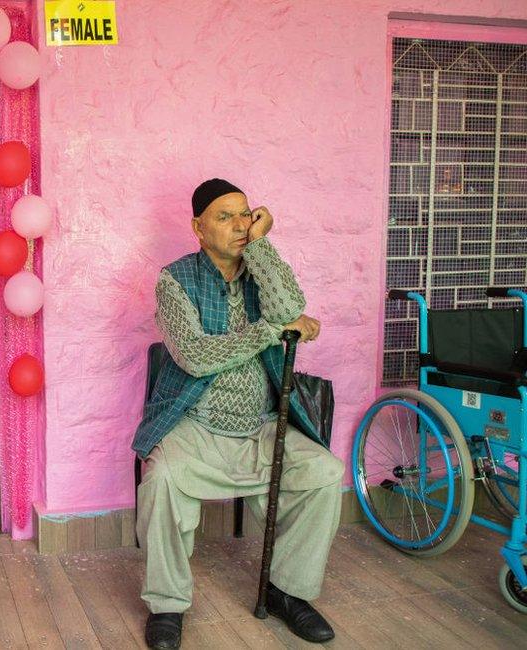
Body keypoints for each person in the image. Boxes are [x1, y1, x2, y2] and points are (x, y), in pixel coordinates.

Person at [133, 179, 343, 649]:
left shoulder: (259, 272)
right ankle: (167, 603)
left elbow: (293, 308)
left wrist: (263, 246)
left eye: (245, 214)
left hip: (262, 426)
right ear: (198, 228)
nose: (238, 225)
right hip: (195, 425)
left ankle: (287, 590)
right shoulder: (175, 280)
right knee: (163, 479)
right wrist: (272, 330)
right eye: (224, 217)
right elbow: (195, 355)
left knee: (326, 473)